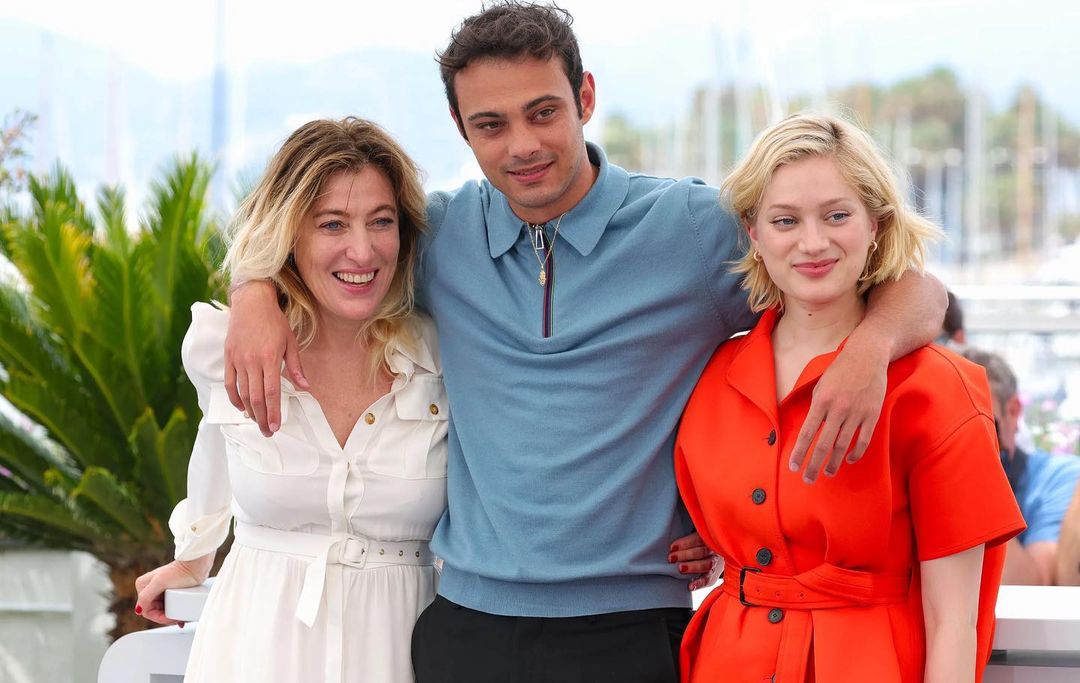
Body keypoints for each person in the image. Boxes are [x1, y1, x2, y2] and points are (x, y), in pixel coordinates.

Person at [224, 4, 948, 680]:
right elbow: (318, 252)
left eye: (543, 112)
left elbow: (915, 286)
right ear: (460, 127)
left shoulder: (689, 230)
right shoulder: (437, 238)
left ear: (586, 97)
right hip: (467, 627)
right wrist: (252, 291)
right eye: (491, 124)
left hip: (632, 628)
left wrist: (869, 349)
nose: (523, 145)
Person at [675, 113, 1025, 683]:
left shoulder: (939, 390)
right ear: (754, 234)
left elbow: (954, 621)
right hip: (727, 661)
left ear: (876, 225)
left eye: (837, 215)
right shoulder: (712, 376)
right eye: (785, 220)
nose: (813, 242)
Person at [133, 117, 447, 683]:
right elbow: (215, 440)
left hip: (400, 647)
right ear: (290, 233)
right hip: (254, 646)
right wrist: (194, 555)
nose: (362, 250)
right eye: (332, 224)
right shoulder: (226, 344)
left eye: (382, 221)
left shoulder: (442, 357)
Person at [960, 346, 1080, 585]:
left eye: (980, 420)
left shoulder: (1056, 476)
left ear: (1013, 410)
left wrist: (975, 467)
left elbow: (1037, 586)